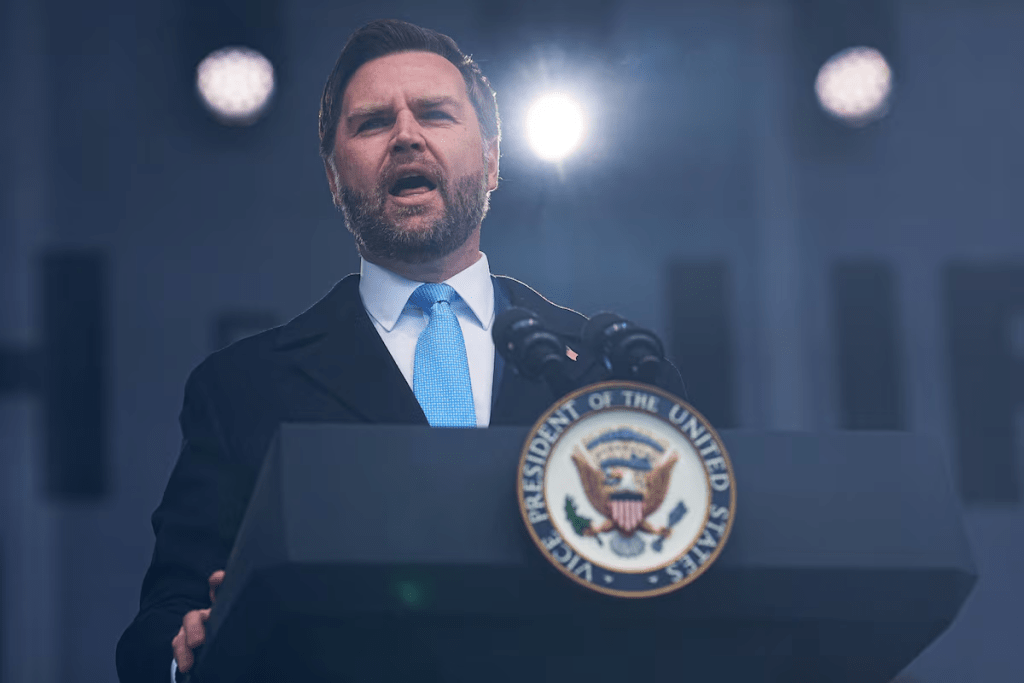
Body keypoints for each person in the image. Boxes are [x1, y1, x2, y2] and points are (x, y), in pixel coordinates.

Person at [115, 18, 682, 683]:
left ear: (492, 159)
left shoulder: (613, 368)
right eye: (373, 122)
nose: (407, 135)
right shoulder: (242, 389)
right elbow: (157, 632)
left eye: (437, 114)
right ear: (333, 176)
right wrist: (187, 648)